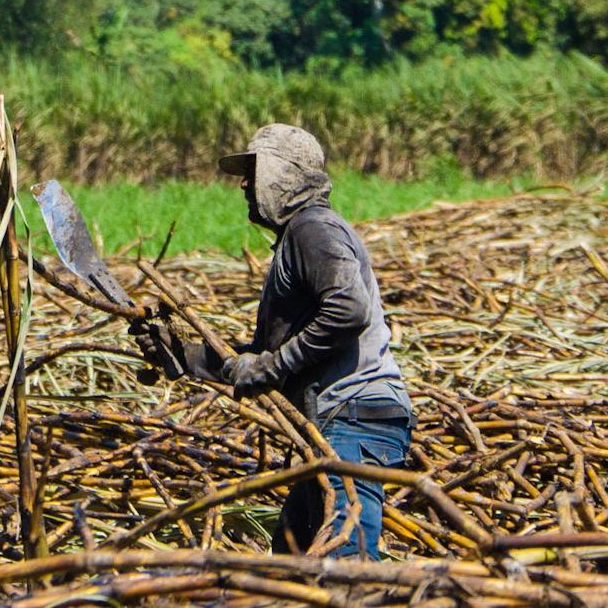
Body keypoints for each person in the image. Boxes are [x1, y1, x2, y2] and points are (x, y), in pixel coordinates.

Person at [130, 123, 413, 558]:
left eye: (254, 170)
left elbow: (348, 309)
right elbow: (263, 361)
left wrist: (275, 366)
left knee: (346, 559)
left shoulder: (313, 230)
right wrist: (185, 356)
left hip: (354, 418)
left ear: (285, 174)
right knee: (293, 557)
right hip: (334, 424)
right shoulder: (297, 239)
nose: (244, 183)